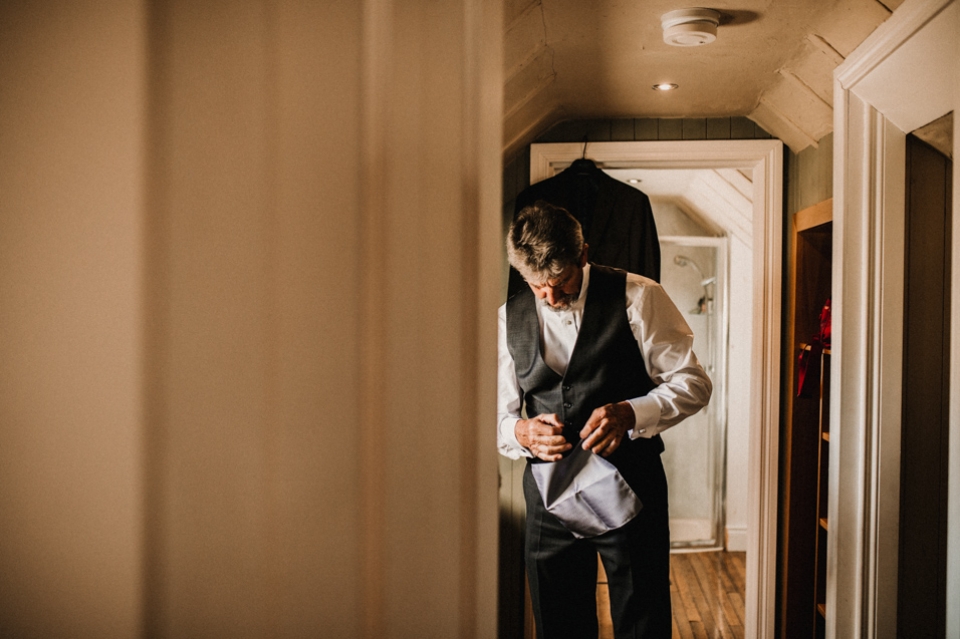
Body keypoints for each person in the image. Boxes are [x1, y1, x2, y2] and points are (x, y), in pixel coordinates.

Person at [497, 201, 712, 638]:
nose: (551, 297)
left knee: (643, 619)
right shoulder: (507, 319)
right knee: (558, 623)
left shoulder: (640, 296)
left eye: (560, 282)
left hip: (632, 485)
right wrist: (519, 431)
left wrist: (631, 411)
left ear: (583, 254)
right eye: (538, 286)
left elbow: (693, 382)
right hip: (548, 498)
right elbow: (492, 414)